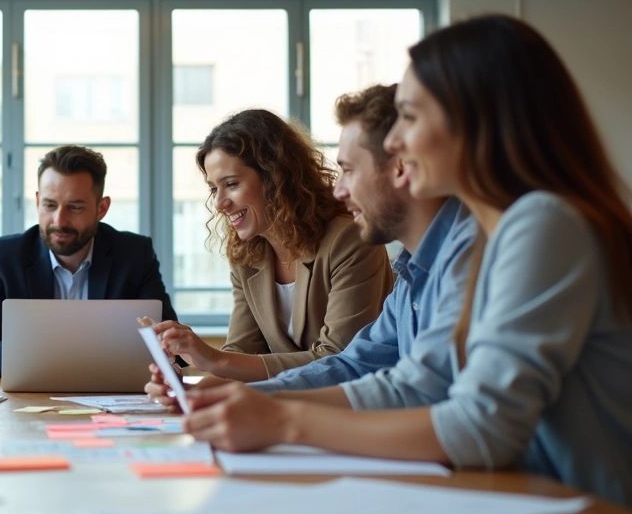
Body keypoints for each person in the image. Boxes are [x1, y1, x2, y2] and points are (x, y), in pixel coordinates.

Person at [182, 15, 632, 506]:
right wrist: (252, 401)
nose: (395, 142)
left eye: (411, 116)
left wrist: (284, 419)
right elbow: (395, 379)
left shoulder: (543, 223)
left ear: (474, 121)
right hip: (525, 508)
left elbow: (480, 423)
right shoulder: (469, 244)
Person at [146, 85, 475, 407]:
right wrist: (201, 394)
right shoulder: (410, 271)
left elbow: (356, 367)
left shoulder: (460, 258)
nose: (340, 190)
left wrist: (286, 423)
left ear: (275, 179)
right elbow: (353, 365)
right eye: (212, 189)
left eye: (348, 170)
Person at [150, 110, 393, 383]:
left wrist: (213, 358)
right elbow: (242, 351)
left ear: (276, 178)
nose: (219, 204)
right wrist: (190, 395)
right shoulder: (247, 254)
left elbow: (340, 360)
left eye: (231, 184)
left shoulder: (348, 239)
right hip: (283, 408)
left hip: (348, 409)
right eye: (213, 189)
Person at [0, 145, 178, 377]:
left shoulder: (135, 255)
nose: (59, 220)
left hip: (108, 398)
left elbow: (170, 343)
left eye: (75, 207)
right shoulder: (4, 257)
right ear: (38, 201)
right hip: (26, 403)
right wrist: (36, 358)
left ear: (102, 209)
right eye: (50, 205)